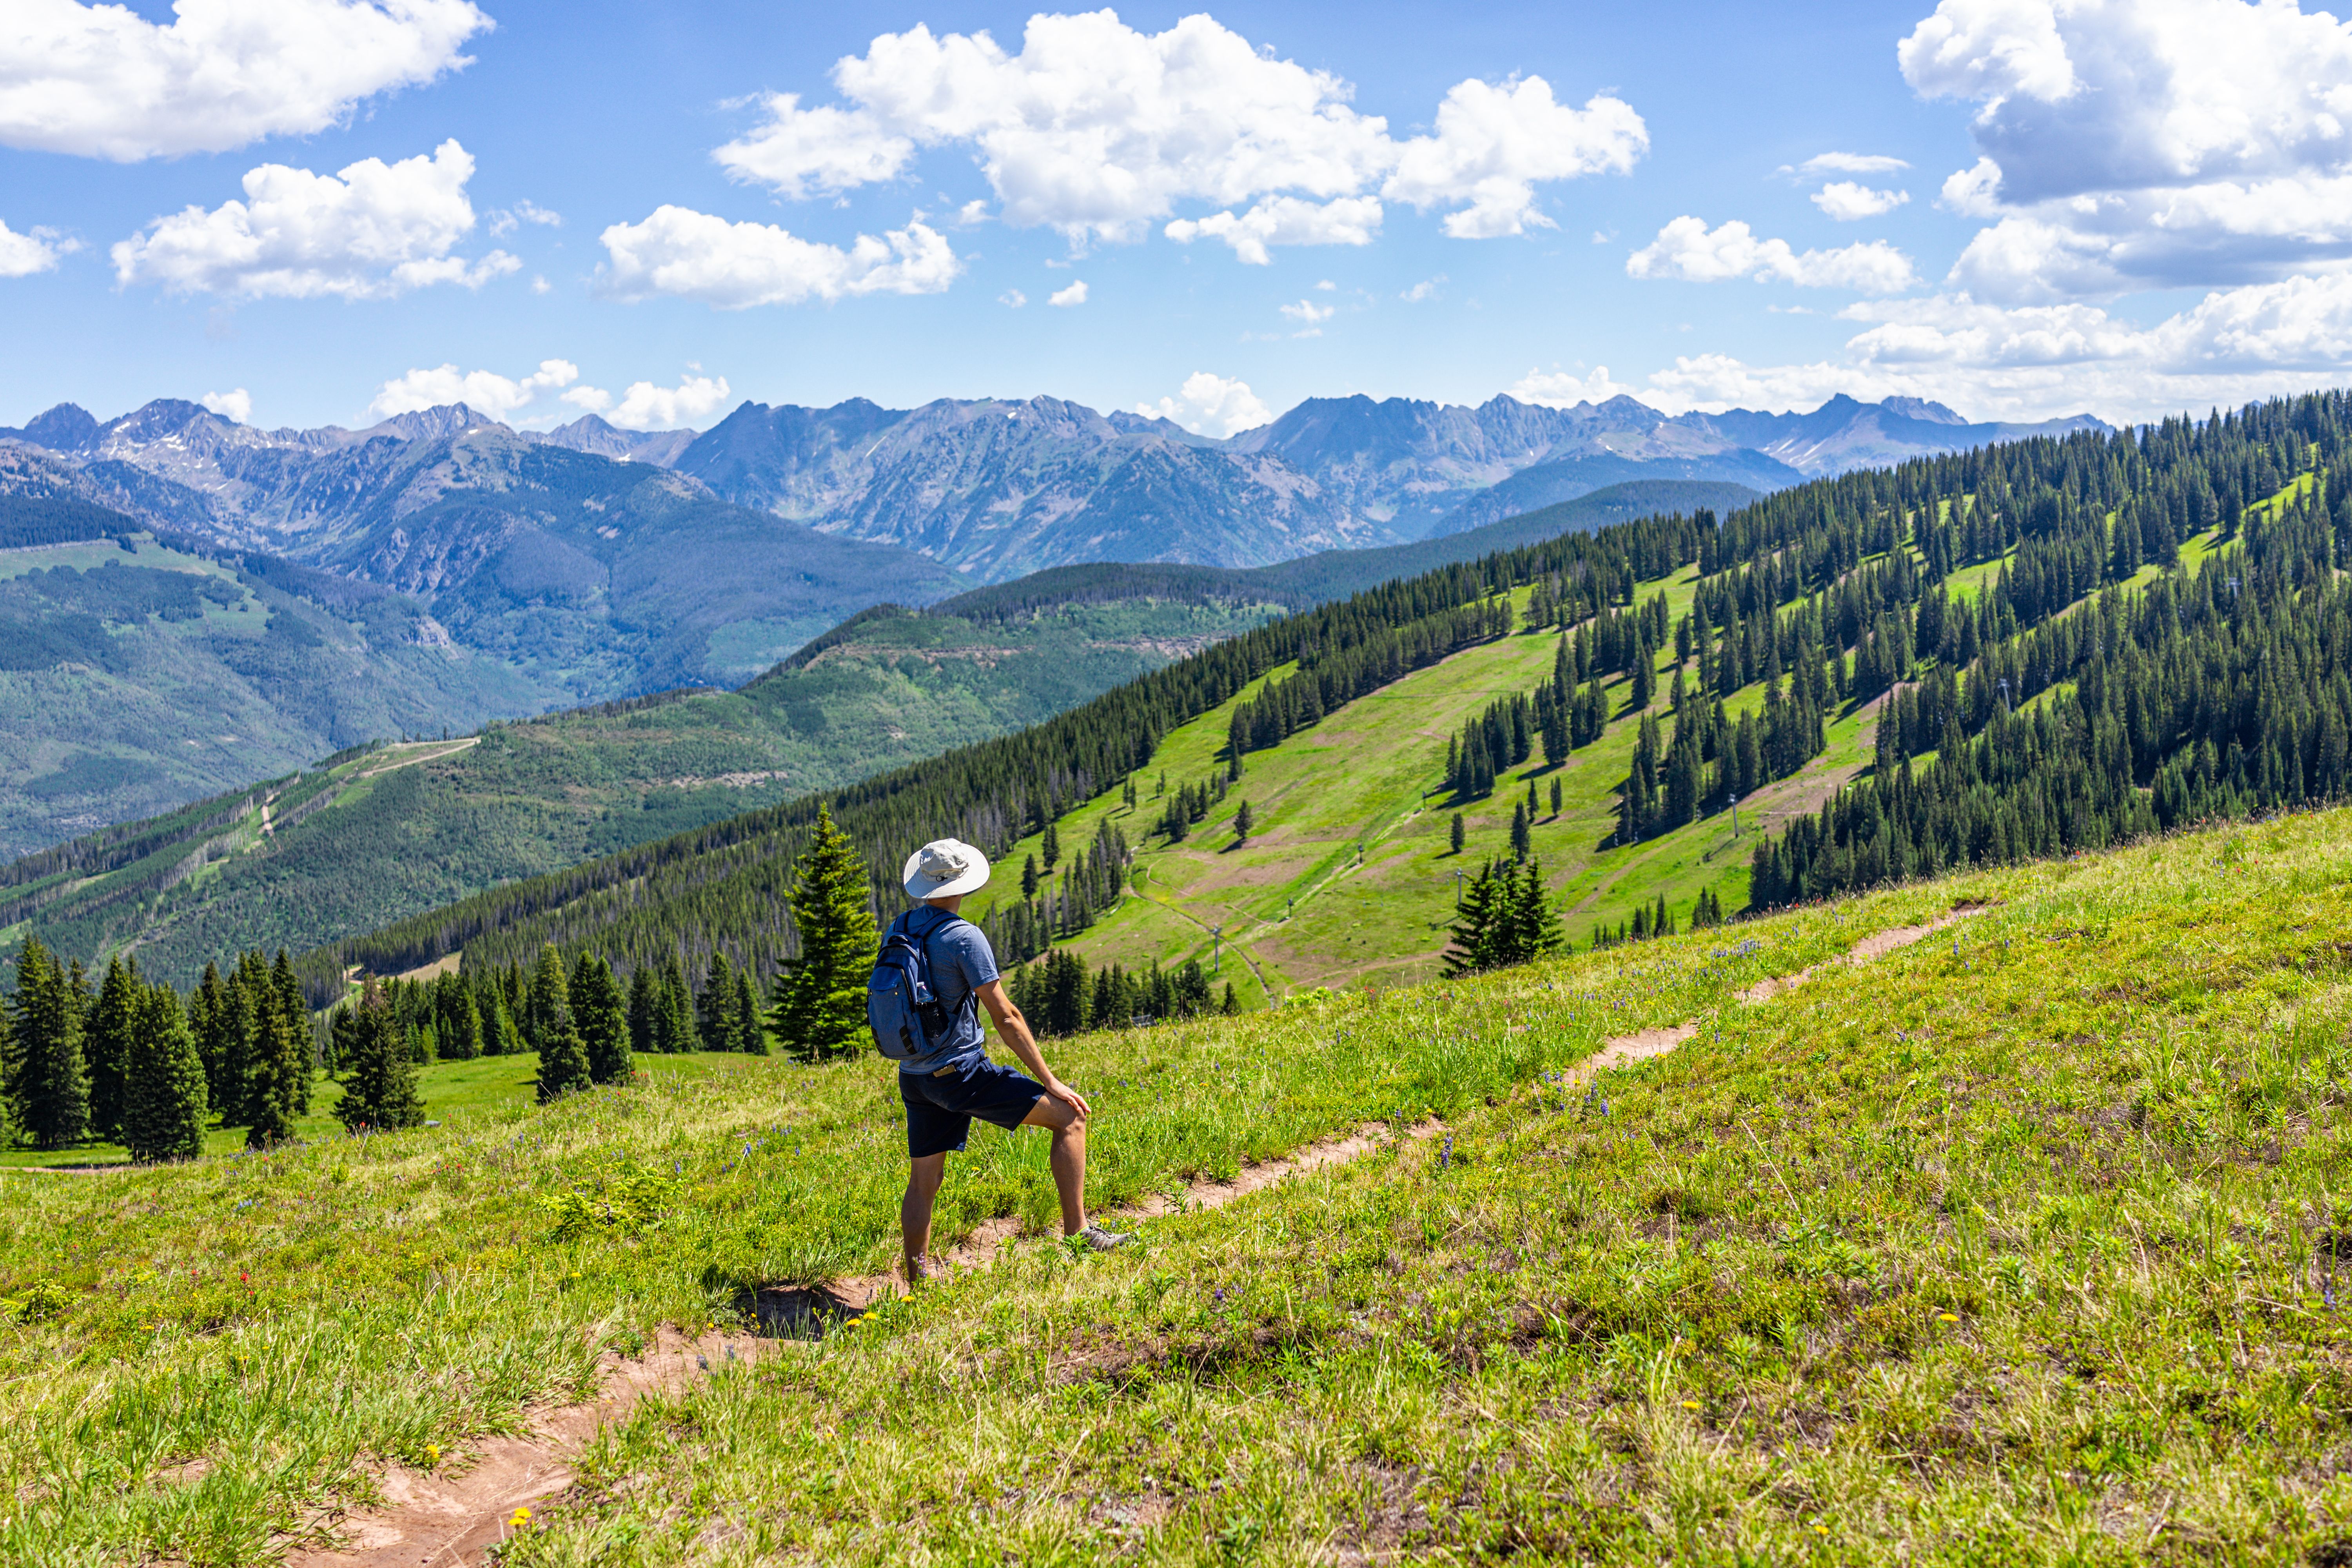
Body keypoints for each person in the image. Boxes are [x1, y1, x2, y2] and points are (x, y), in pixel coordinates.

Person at [889, 837, 1129, 1284]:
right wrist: (1051, 1081)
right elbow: (1007, 1016)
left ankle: (918, 1284)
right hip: (960, 1072)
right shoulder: (963, 936)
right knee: (1070, 1118)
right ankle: (1078, 1235)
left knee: (923, 1181)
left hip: (915, 1075)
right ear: (963, 882)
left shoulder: (900, 928)